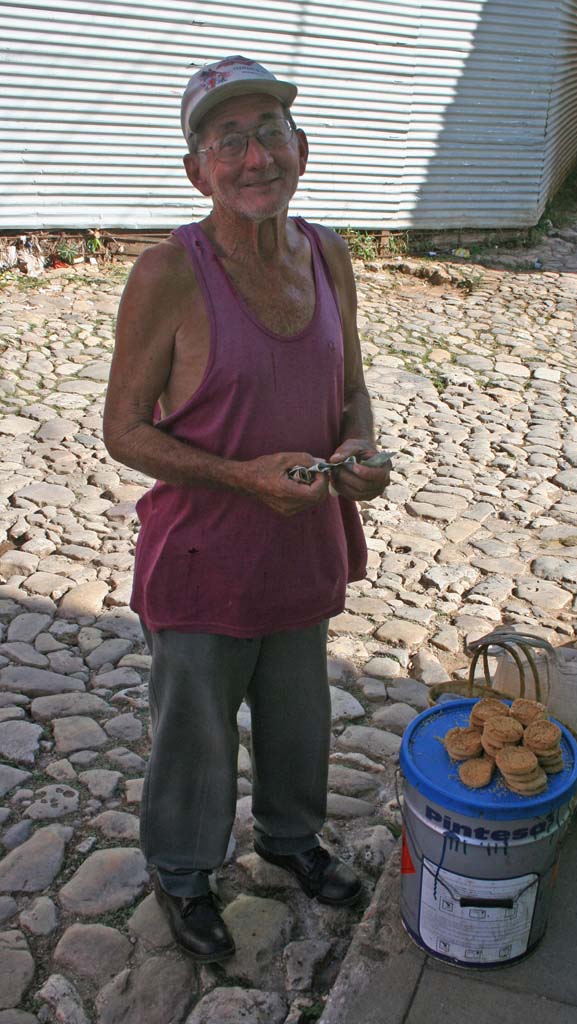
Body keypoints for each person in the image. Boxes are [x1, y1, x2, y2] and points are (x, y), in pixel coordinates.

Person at [103, 55, 391, 963]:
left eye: (269, 131)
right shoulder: (169, 274)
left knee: (300, 709)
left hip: (303, 540)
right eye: (228, 141)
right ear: (199, 171)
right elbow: (123, 431)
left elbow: (351, 389)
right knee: (194, 725)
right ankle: (184, 871)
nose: (255, 156)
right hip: (203, 552)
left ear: (300, 148)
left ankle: (290, 838)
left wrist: (356, 449)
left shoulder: (327, 250)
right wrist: (241, 476)